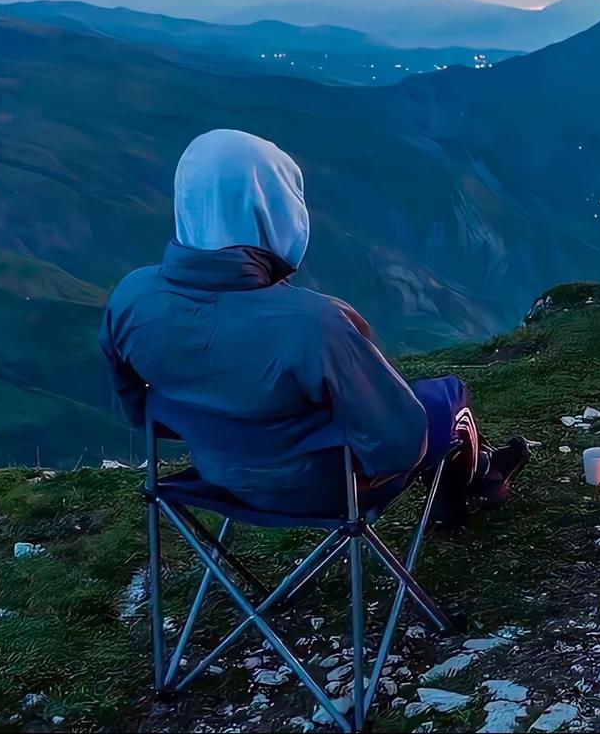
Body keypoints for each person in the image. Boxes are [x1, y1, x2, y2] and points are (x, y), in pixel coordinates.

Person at [99, 128, 528, 527]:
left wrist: (224, 433)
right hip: (324, 489)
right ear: (272, 209)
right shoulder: (314, 322)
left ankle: (477, 477)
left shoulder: (131, 298)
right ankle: (479, 477)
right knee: (445, 398)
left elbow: (140, 411)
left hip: (215, 475)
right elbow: (399, 445)